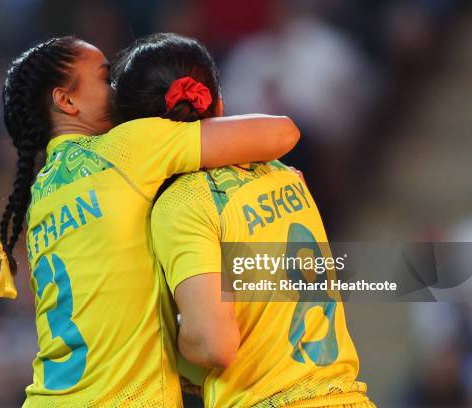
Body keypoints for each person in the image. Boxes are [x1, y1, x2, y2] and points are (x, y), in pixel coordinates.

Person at [0, 36, 300, 406]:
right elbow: (282, 132)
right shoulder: (127, 147)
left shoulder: (40, 197)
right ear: (66, 101)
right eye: (105, 79)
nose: (118, 89)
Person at [112, 33, 374, 407]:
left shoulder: (182, 203)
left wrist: (169, 335)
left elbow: (215, 345)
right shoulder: (285, 175)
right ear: (217, 105)